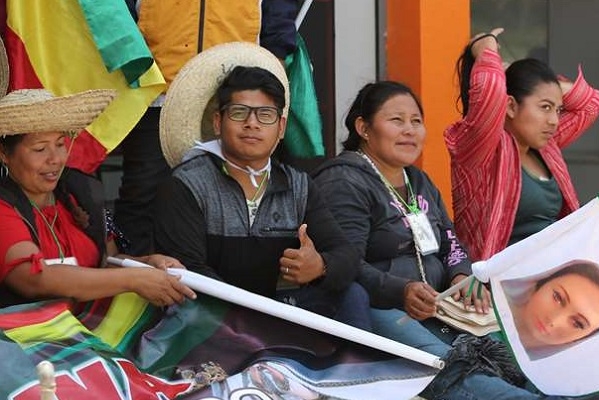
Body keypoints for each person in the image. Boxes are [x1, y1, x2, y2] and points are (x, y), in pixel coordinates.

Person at [312, 81, 571, 400]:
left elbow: (451, 242)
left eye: (416, 121)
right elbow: (346, 263)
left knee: (516, 347)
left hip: (440, 303)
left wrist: (461, 275)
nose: (409, 130)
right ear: (363, 128)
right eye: (396, 120)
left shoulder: (416, 179)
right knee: (446, 365)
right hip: (381, 307)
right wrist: (401, 290)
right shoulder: (343, 180)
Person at [152, 42, 368, 329]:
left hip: (280, 312)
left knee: (352, 295)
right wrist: (260, 320)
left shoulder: (298, 185)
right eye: (239, 113)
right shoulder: (186, 184)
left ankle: (355, 373)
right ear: (218, 122)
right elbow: (193, 274)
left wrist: (320, 266)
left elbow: (346, 253)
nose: (252, 124)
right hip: (212, 321)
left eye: (265, 115)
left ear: (280, 128)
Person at [115, 0, 300, 255]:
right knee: (143, 192)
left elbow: (278, 14)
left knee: (232, 193)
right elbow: (116, 15)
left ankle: (222, 285)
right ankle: (134, 284)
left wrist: (268, 74)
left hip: (234, 93)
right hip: (156, 91)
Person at [0, 87, 196, 308]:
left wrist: (146, 264)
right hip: (23, 338)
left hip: (88, 330)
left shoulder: (80, 194)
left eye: (60, 144)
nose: (55, 159)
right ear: (4, 154)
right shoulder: (4, 208)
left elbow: (107, 262)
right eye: (39, 149)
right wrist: (133, 279)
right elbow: (33, 279)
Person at [445, 28, 599, 262]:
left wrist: (541, 86)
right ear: (509, 106)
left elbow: (590, 104)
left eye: (558, 110)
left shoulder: (545, 147)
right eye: (545, 107)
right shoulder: (481, 148)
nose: (554, 121)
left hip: (555, 271)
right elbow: (490, 90)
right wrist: (484, 45)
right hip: (500, 284)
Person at [502, 259, 599, 360]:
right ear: (544, 281)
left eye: (578, 323)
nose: (554, 321)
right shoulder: (489, 293)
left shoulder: (554, 383)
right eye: (558, 298)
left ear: (587, 337)